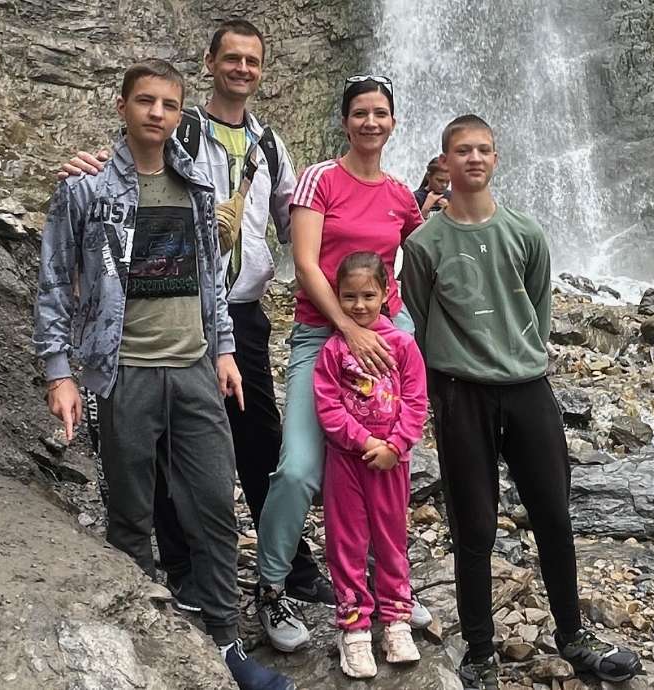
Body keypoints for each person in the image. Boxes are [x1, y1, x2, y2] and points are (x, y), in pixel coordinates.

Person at [33, 58, 293, 690]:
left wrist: (226, 349)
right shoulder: (85, 189)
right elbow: (54, 284)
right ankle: (138, 639)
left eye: (169, 104)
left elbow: (211, 280)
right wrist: (59, 371)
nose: (157, 113)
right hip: (123, 372)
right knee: (129, 511)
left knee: (214, 507)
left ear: (182, 113)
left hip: (195, 367)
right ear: (123, 107)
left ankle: (226, 643)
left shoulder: (198, 186)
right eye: (145, 101)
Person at [59, 20, 334, 611]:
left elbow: (296, 227)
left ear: (262, 71)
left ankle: (284, 565)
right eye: (231, 58)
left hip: (239, 315)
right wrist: (88, 166)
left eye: (252, 61)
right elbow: (129, 167)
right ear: (209, 62)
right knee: (155, 449)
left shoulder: (271, 145)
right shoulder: (178, 128)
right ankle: (180, 566)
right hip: (164, 312)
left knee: (259, 440)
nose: (241, 69)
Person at [400, 114, 643, 689]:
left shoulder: (527, 234)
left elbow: (537, 307)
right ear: (446, 162)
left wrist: (519, 356)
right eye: (463, 150)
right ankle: (480, 650)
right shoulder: (422, 244)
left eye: (483, 149)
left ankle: (574, 636)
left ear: (496, 158)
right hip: (462, 393)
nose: (474, 159)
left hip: (528, 388)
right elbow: (421, 314)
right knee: (474, 525)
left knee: (554, 516)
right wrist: (450, 380)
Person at [254, 75, 432, 652]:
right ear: (345, 120)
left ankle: (391, 591)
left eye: (381, 113)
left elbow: (426, 248)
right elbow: (305, 265)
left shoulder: (402, 194)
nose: (370, 123)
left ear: (394, 122)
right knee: (301, 468)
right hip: (321, 336)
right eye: (360, 113)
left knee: (387, 462)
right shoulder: (320, 180)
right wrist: (350, 328)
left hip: (389, 337)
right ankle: (271, 586)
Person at [313, 252, 428, 678]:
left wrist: (395, 446)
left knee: (392, 538)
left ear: (385, 294)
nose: (359, 305)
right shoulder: (332, 350)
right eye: (349, 297)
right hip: (346, 462)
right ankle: (354, 629)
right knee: (347, 543)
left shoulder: (402, 344)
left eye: (368, 295)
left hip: (391, 464)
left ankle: (396, 620)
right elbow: (327, 407)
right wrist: (364, 441)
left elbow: (416, 401)